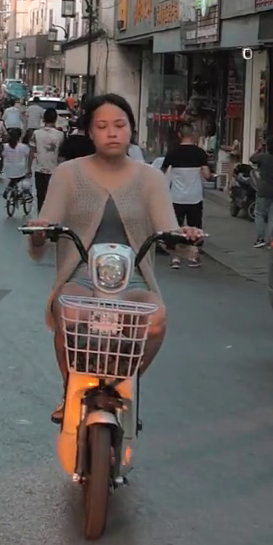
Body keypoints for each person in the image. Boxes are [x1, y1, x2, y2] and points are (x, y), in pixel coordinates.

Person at [27, 93, 199, 423]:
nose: (112, 132)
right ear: (89, 132)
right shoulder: (67, 173)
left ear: (131, 130)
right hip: (80, 275)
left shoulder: (150, 178)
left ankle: (121, 385)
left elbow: (169, 232)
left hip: (133, 279)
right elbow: (46, 226)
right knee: (66, 310)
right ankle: (70, 389)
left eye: (119, 125)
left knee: (156, 319)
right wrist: (39, 231)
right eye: (102, 126)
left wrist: (184, 236)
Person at [160, 124, 212, 269]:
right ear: (193, 134)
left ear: (179, 135)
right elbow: (207, 175)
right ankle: (193, 257)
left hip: (176, 197)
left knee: (176, 228)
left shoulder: (173, 153)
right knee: (195, 227)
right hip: (195, 197)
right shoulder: (200, 153)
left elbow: (161, 173)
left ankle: (175, 258)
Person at [30, 108, 66, 210]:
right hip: (54, 170)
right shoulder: (60, 135)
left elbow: (31, 152)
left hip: (39, 169)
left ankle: (41, 214)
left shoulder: (36, 133)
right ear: (55, 119)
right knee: (52, 196)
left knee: (40, 196)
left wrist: (28, 168)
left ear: (44, 119)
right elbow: (61, 154)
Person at [0, 128, 32, 201]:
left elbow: (1, 156)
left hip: (7, 171)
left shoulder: (4, 146)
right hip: (21, 170)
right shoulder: (24, 147)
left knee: (12, 178)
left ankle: (9, 189)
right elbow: (29, 156)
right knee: (25, 180)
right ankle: (25, 194)